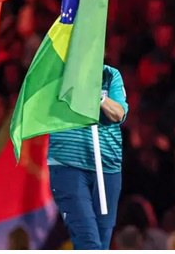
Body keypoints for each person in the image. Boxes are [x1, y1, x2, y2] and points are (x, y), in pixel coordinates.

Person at [47, 64, 127, 249]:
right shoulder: (57, 72)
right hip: (68, 166)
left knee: (102, 242)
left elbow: (118, 113)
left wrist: (97, 95)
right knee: (88, 241)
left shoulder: (110, 74)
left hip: (108, 167)